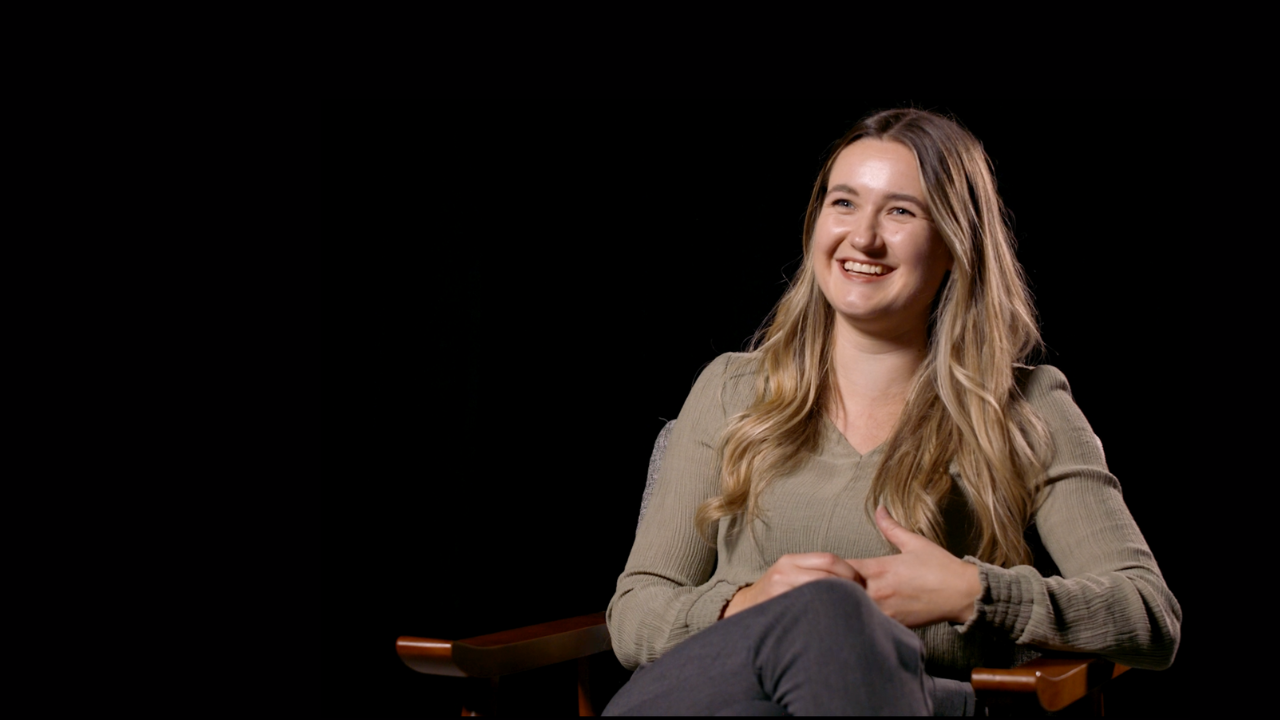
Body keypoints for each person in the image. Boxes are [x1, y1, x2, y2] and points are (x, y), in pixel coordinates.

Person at [602, 109, 1182, 716]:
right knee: (816, 619)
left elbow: (1148, 613)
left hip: (919, 702)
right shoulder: (731, 388)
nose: (864, 237)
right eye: (844, 203)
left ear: (957, 245)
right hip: (707, 690)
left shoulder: (1022, 408)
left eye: (901, 211)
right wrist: (750, 603)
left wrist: (974, 592)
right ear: (816, 223)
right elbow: (637, 611)